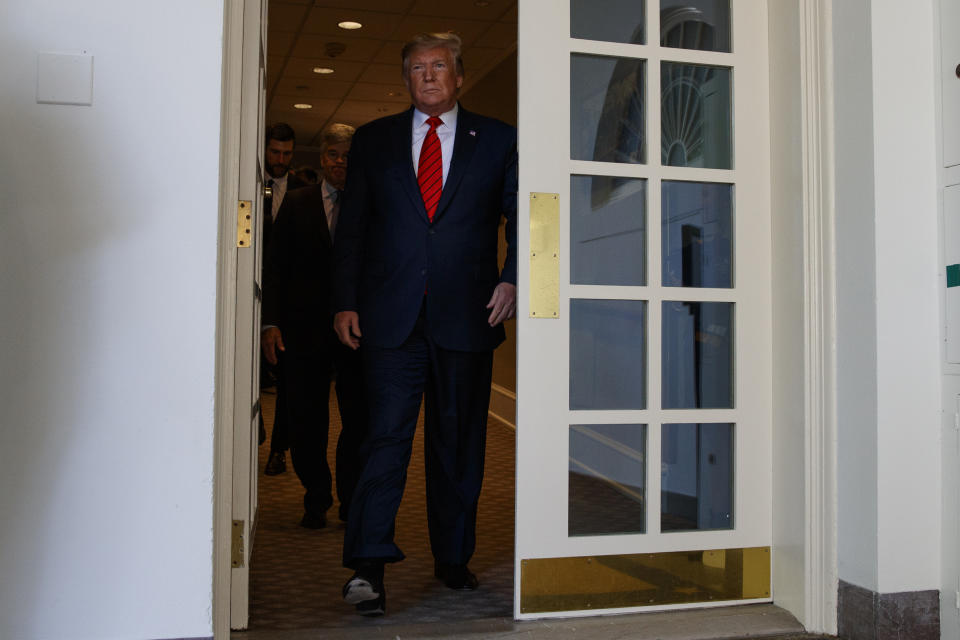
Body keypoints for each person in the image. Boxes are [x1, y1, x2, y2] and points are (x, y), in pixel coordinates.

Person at [333, 32, 517, 616]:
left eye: (439, 66)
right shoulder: (375, 141)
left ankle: (453, 556)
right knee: (383, 438)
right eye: (417, 68)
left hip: (467, 315)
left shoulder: (499, 139)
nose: (429, 76)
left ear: (459, 76)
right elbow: (353, 228)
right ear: (406, 79)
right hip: (390, 319)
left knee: (458, 443)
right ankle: (367, 566)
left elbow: (525, 213)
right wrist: (345, 300)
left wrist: (514, 278)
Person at [261, 123, 366, 528]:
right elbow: (275, 268)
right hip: (302, 329)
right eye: (333, 155)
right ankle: (316, 492)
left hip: (357, 332)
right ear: (322, 159)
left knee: (357, 419)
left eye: (347, 155)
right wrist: (270, 322)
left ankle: (351, 497)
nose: (340, 162)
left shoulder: (369, 205)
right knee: (305, 417)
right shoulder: (298, 202)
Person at [261, 122, 308, 475]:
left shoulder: (302, 191)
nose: (280, 159)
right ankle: (255, 432)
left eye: (286, 153)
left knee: (288, 383)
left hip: (288, 300)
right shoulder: (247, 181)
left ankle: (279, 450)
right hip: (248, 294)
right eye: (275, 152)